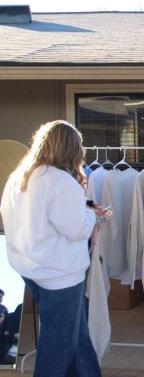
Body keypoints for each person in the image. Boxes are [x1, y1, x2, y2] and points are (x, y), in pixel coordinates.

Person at [0, 120, 102, 376]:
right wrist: (93, 216)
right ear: (72, 148)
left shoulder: (19, 176)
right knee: (59, 347)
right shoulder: (59, 181)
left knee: (76, 338)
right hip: (61, 275)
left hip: (31, 268)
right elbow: (77, 228)